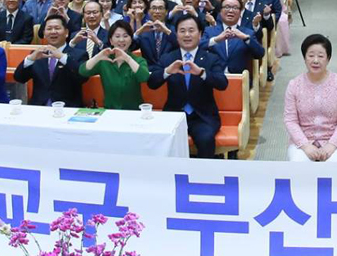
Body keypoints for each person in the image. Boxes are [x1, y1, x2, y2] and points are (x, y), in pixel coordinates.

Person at [149, 16, 227, 157]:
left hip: (202, 117)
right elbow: (152, 83)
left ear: (200, 34)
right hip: (173, 116)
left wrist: (202, 73)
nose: (187, 35)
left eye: (191, 30)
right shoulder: (168, 58)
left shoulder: (211, 58)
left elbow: (222, 83)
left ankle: (203, 176)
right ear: (176, 35)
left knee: (205, 139)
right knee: (160, 140)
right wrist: (166, 72)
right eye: (182, 31)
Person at [283, 34, 337, 162]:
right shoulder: (294, 85)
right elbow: (290, 120)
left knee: (332, 166)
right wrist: (305, 146)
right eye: (311, 56)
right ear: (304, 58)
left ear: (328, 59)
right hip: (303, 140)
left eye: (321, 56)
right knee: (298, 165)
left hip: (335, 140)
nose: (315, 60)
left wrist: (331, 145)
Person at [78, 20, 150, 110]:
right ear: (111, 41)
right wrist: (98, 56)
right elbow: (83, 71)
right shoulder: (104, 60)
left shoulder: (138, 60)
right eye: (117, 36)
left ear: (131, 40)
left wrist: (127, 58)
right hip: (109, 110)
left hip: (133, 111)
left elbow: (144, 77)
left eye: (125, 36)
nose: (121, 40)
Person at [13, 15, 83, 107]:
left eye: (57, 28)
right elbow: (19, 78)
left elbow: (82, 77)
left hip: (67, 108)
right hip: (38, 108)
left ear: (66, 33)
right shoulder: (37, 54)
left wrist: (62, 57)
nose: (53, 32)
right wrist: (30, 59)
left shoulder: (79, 54)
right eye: (49, 29)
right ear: (44, 34)